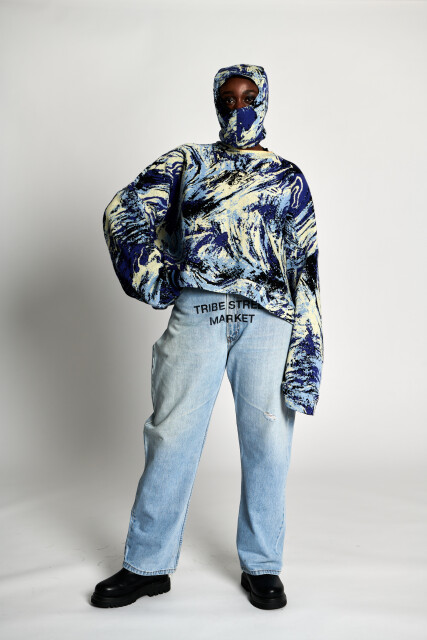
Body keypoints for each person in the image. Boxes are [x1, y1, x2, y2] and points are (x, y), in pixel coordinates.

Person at [91, 63, 323, 611]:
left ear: (264, 102)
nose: (238, 107)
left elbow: (305, 269)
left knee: (268, 443)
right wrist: (157, 275)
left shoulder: (288, 177)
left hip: (268, 319)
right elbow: (124, 209)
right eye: (228, 99)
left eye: (249, 97)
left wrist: (307, 357)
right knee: (170, 435)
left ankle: (262, 566)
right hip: (198, 312)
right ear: (217, 104)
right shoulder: (189, 162)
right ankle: (147, 566)